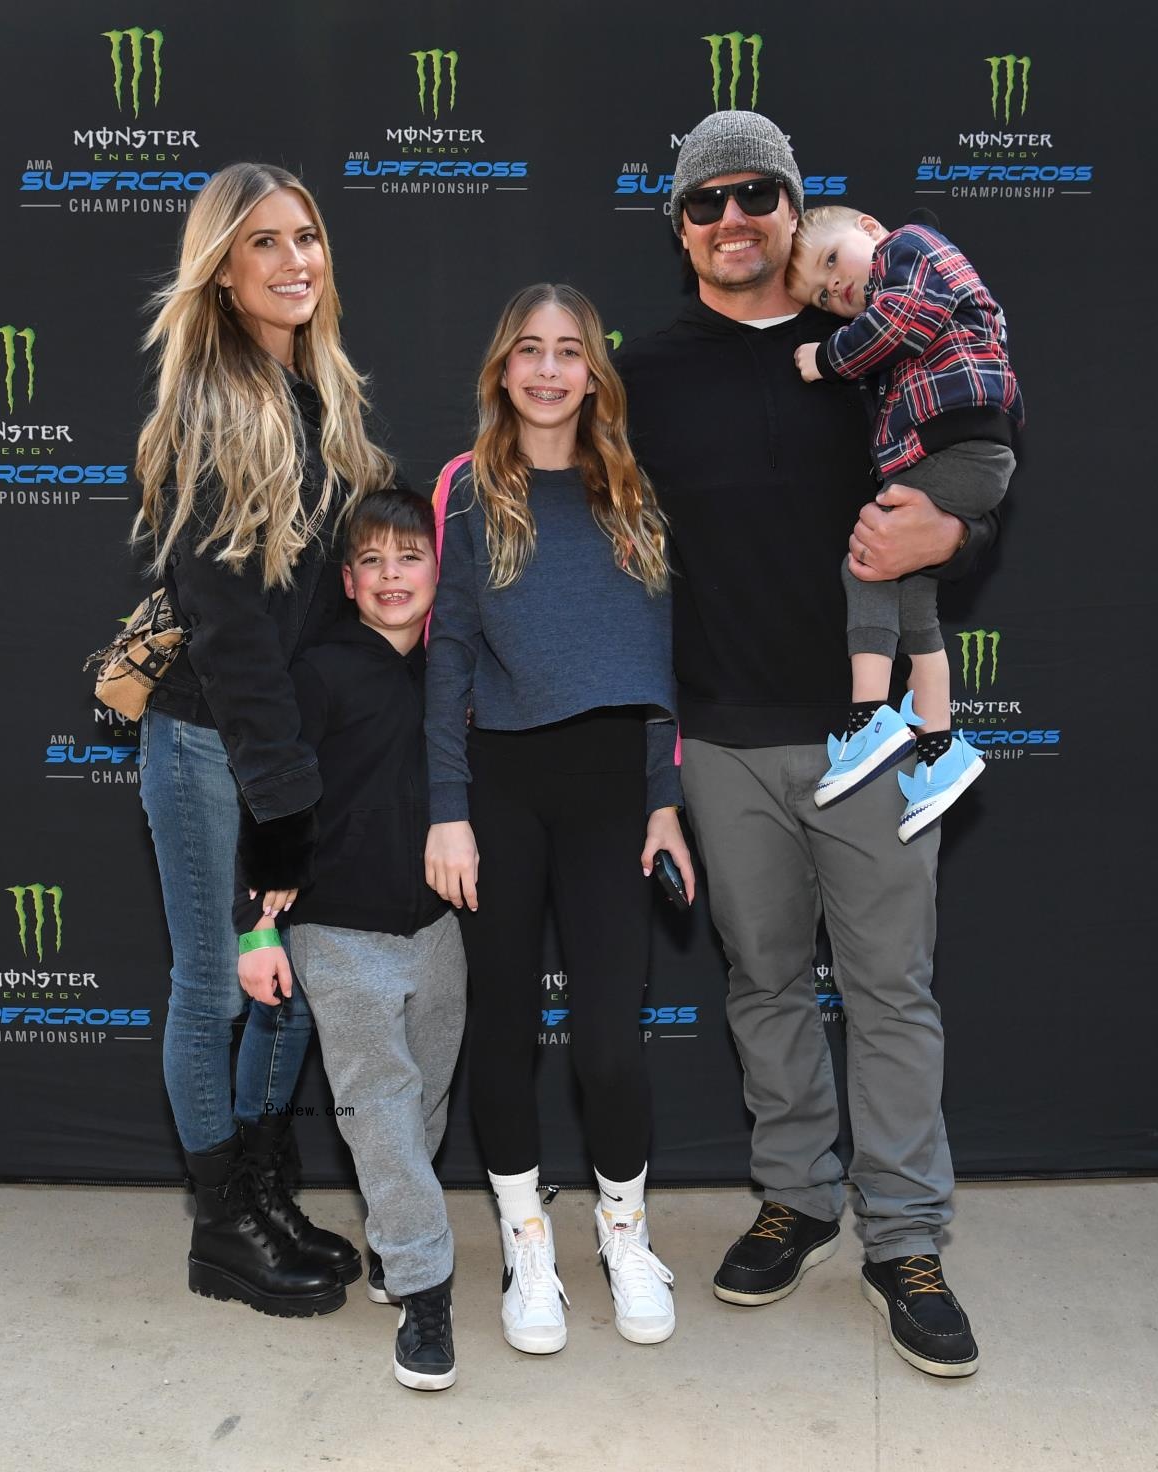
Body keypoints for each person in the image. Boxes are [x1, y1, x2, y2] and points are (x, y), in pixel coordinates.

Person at [616, 111, 998, 1378]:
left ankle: (906, 1240)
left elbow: (970, 458)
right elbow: (610, 558)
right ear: (680, 228)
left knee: (893, 989)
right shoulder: (648, 372)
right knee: (764, 984)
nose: (733, 220)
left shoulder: (869, 342)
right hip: (723, 737)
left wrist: (954, 536)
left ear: (797, 209)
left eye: (756, 196)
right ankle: (798, 1196)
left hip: (876, 738)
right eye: (706, 202)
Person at [132, 161, 396, 1319]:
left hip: (288, 747)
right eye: (265, 245)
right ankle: (219, 1224)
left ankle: (265, 1186)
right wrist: (285, 788)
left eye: (309, 238)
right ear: (223, 271)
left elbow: (323, 600)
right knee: (217, 988)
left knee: (280, 987)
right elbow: (231, 626)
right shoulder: (208, 408)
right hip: (210, 749)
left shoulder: (322, 392)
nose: (297, 261)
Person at [424, 283, 695, 1354]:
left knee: (611, 1046)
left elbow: (657, 665)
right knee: (501, 1026)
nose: (547, 369)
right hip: (498, 781)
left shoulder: (631, 489)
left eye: (569, 351)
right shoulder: (465, 488)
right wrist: (447, 810)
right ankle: (526, 1240)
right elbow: (447, 655)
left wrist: (664, 800)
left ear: (594, 371)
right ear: (501, 369)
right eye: (528, 350)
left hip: (610, 788)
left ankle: (625, 1234)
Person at [239, 488, 466, 1390]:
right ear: (347, 580)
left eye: (407, 557)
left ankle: (394, 1239)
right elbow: (273, 798)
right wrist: (259, 929)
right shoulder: (322, 671)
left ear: (438, 569)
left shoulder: (456, 668)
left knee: (425, 1107)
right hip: (337, 932)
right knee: (379, 1109)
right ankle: (425, 1285)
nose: (389, 576)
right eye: (370, 562)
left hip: (441, 930)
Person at [786, 205, 1024, 839]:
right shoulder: (896, 283)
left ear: (867, 227)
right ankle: (941, 749)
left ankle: (871, 719)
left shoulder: (908, 250)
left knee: (866, 559)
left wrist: (826, 356)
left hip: (963, 447)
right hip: (966, 451)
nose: (836, 289)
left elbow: (898, 324)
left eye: (833, 261)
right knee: (912, 593)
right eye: (822, 294)